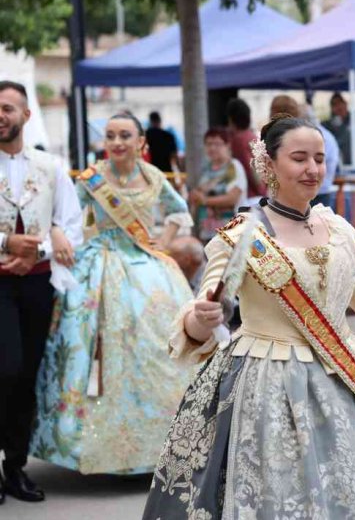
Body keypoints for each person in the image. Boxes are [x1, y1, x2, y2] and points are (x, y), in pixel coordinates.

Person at [143, 114, 355, 519]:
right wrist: (201, 319)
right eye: (299, 158)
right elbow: (206, 303)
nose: (312, 169)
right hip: (267, 381)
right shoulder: (243, 236)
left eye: (319, 159)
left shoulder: (339, 230)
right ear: (269, 165)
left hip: (346, 375)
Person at [31, 112, 196, 474]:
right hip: (98, 263)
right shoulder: (92, 178)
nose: (117, 142)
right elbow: (66, 215)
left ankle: (154, 437)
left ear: (140, 142)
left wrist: (162, 244)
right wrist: (58, 233)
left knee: (155, 346)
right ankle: (72, 435)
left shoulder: (153, 176)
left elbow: (179, 211)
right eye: (110, 136)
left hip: (145, 267)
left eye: (125, 135)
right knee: (76, 343)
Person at [0, 80, 83, 504]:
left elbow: (71, 225)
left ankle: (15, 468)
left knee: (27, 375)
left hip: (36, 281)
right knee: (6, 368)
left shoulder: (50, 166)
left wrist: (38, 248)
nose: (1, 115)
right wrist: (5, 244)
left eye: (8, 108)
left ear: (25, 116)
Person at [270, 94, 340, 208]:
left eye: (319, 160)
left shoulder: (314, 137)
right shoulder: (324, 135)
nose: (313, 170)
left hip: (316, 194)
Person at [189, 127, 247, 242]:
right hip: (206, 231)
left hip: (230, 232)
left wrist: (204, 200)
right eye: (208, 144)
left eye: (217, 144)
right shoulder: (205, 169)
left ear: (227, 145)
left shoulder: (233, 166)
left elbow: (232, 198)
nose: (212, 148)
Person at [227, 97, 265, 199]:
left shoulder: (238, 140)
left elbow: (248, 167)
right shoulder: (253, 136)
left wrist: (260, 191)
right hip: (261, 192)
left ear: (231, 119)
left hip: (251, 196)